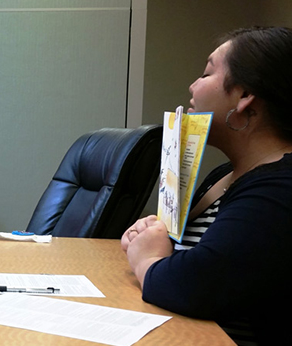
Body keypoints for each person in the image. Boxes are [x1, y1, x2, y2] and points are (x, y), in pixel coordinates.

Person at [121, 26, 292, 345]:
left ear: (243, 96)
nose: (193, 86)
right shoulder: (226, 174)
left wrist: (146, 260)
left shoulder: (278, 190)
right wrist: (151, 237)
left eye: (206, 73)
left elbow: (196, 285)